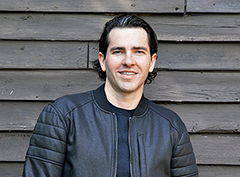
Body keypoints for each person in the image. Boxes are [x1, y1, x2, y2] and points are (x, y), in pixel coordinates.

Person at [23, 14, 198, 177]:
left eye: (138, 51)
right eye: (118, 51)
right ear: (102, 60)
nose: (128, 61)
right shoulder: (62, 116)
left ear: (151, 62)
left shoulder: (171, 127)